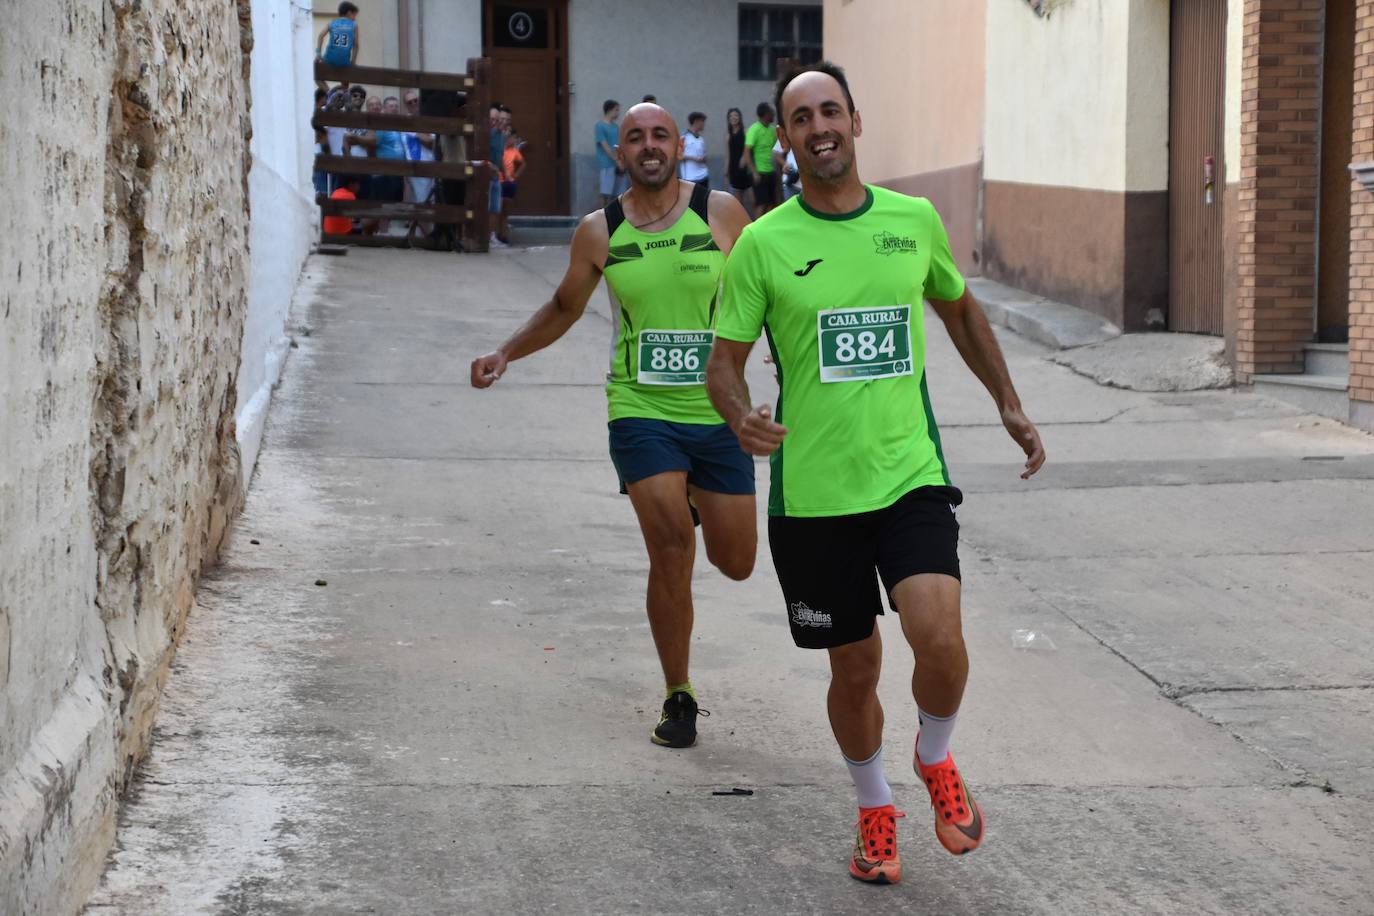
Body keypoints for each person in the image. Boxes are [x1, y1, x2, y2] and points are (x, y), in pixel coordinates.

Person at [707, 62, 1046, 886]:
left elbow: (959, 306)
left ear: (855, 122)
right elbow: (724, 363)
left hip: (909, 476)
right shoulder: (763, 244)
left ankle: (934, 757)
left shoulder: (912, 220)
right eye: (801, 117)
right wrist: (740, 413)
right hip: (814, 499)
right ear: (783, 138)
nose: (819, 127)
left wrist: (1006, 399)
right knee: (853, 671)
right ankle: (874, 808)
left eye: (831, 110)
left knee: (942, 641)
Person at [471, 104, 756, 749]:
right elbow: (566, 306)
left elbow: (762, 288)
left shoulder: (722, 212)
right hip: (641, 409)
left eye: (660, 135)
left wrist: (779, 347)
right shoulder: (600, 231)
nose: (649, 146)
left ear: (678, 146)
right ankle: (678, 694)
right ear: (618, 153)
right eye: (635, 138)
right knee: (671, 550)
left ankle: (691, 498)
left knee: (736, 562)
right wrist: (506, 352)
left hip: (718, 409)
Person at [743, 102, 779, 215]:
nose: (774, 115)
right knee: (761, 205)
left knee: (772, 204)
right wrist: (754, 172)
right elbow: (747, 153)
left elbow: (776, 151)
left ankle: (767, 230)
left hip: (771, 172)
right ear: (766, 114)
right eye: (772, 112)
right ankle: (757, 230)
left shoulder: (773, 130)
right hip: (760, 173)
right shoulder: (754, 129)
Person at [316, 2, 360, 82]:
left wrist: (318, 53)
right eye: (354, 15)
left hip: (329, 59)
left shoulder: (332, 23)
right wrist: (353, 62)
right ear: (349, 13)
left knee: (317, 78)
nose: (355, 18)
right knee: (345, 80)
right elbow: (356, 45)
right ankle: (344, 90)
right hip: (344, 61)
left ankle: (328, 91)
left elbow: (320, 35)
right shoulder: (354, 25)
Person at [596, 99, 626, 207]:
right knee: (605, 193)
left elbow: (620, 145)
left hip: (618, 164)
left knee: (617, 194)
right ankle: (601, 217)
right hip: (607, 164)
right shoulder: (600, 126)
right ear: (609, 110)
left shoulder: (616, 127)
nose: (618, 113)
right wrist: (615, 160)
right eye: (616, 110)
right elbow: (605, 146)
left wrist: (621, 161)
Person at [725, 107, 752, 211]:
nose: (733, 118)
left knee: (753, 201)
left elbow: (749, 149)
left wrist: (744, 158)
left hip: (746, 170)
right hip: (734, 171)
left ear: (740, 117)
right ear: (728, 119)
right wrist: (726, 173)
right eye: (731, 116)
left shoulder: (746, 131)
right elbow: (728, 156)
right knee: (738, 205)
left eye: (735, 115)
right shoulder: (728, 136)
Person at [679, 112, 709, 190]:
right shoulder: (683, 137)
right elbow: (679, 155)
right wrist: (695, 159)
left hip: (704, 176)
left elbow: (703, 154)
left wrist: (704, 158)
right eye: (702, 122)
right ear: (696, 122)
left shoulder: (701, 139)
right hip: (690, 178)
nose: (704, 124)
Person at [501, 133, 526, 211]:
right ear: (508, 139)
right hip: (500, 181)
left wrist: (516, 175)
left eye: (515, 139)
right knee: (499, 208)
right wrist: (505, 173)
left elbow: (523, 163)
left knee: (506, 209)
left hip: (510, 182)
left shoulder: (514, 151)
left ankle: (504, 223)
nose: (514, 141)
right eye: (513, 139)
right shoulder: (501, 149)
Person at [773, 137, 801, 201]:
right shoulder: (788, 133)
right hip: (792, 184)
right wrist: (784, 164)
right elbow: (776, 152)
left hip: (813, 187)